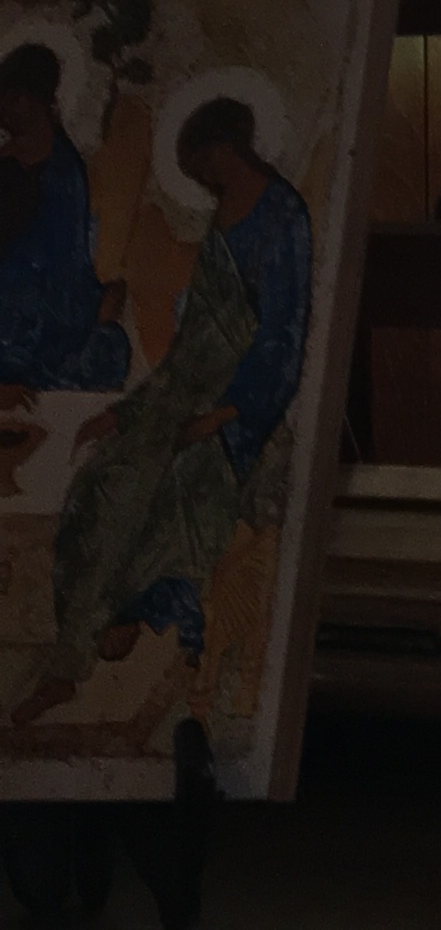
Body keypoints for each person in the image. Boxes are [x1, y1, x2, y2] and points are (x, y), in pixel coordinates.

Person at [12, 94, 311, 730]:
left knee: (177, 488)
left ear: (228, 147)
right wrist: (129, 412)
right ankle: (78, 652)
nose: (201, 175)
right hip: (184, 394)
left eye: (203, 160)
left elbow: (282, 342)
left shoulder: (283, 217)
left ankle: (115, 626)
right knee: (103, 480)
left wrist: (226, 415)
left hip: (239, 413)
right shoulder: (220, 223)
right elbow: (190, 347)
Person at [0, 40, 128, 396]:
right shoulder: (10, 160)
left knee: (103, 351)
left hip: (48, 303)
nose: (4, 110)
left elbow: (66, 257)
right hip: (12, 298)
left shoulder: (62, 168)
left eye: (13, 98)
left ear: (35, 99)